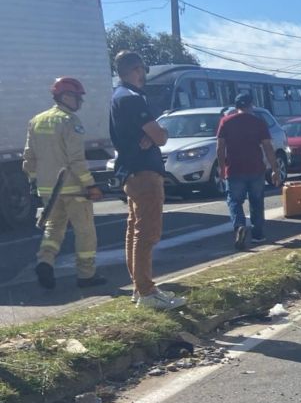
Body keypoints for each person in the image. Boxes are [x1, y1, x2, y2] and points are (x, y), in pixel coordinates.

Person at [109, 50, 185, 309]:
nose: (143, 74)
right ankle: (146, 292)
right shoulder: (132, 98)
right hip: (144, 173)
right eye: (141, 69)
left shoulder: (119, 97)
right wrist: (156, 134)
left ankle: (140, 288)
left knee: (135, 231)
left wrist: (150, 136)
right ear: (134, 70)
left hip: (131, 170)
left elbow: (149, 136)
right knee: (147, 232)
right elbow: (161, 136)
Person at [23, 77, 105, 290]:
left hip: (48, 189)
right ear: (67, 97)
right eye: (79, 98)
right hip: (74, 189)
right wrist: (91, 185)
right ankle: (86, 275)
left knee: (53, 228)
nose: (81, 103)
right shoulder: (70, 121)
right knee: (85, 231)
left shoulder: (36, 120)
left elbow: (29, 157)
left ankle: (45, 261)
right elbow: (76, 159)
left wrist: (33, 181)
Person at [217, 93, 281, 249]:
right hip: (256, 169)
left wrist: (221, 168)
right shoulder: (259, 123)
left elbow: (220, 147)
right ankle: (258, 234)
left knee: (234, 201)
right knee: (257, 201)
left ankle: (239, 225)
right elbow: (268, 147)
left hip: (234, 169)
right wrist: (275, 169)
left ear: (236, 106)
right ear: (250, 105)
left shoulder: (225, 122)